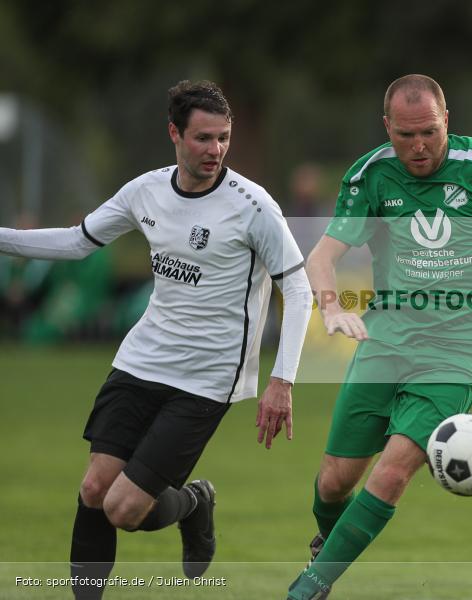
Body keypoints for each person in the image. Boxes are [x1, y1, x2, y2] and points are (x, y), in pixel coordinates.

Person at [0, 80, 312, 600]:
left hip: (207, 380)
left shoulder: (253, 206)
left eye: (224, 138)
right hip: (140, 360)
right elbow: (78, 243)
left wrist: (283, 379)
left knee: (124, 509)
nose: (215, 150)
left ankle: (192, 502)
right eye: (203, 138)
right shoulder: (144, 191)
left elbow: (298, 291)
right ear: (174, 133)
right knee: (95, 490)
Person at [286, 73, 472, 600]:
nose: (418, 147)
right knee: (333, 483)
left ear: (447, 122)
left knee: (391, 474)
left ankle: (311, 586)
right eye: (406, 135)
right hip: (387, 339)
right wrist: (331, 307)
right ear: (386, 127)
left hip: (460, 351)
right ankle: (330, 543)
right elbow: (323, 256)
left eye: (430, 133)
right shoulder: (371, 176)